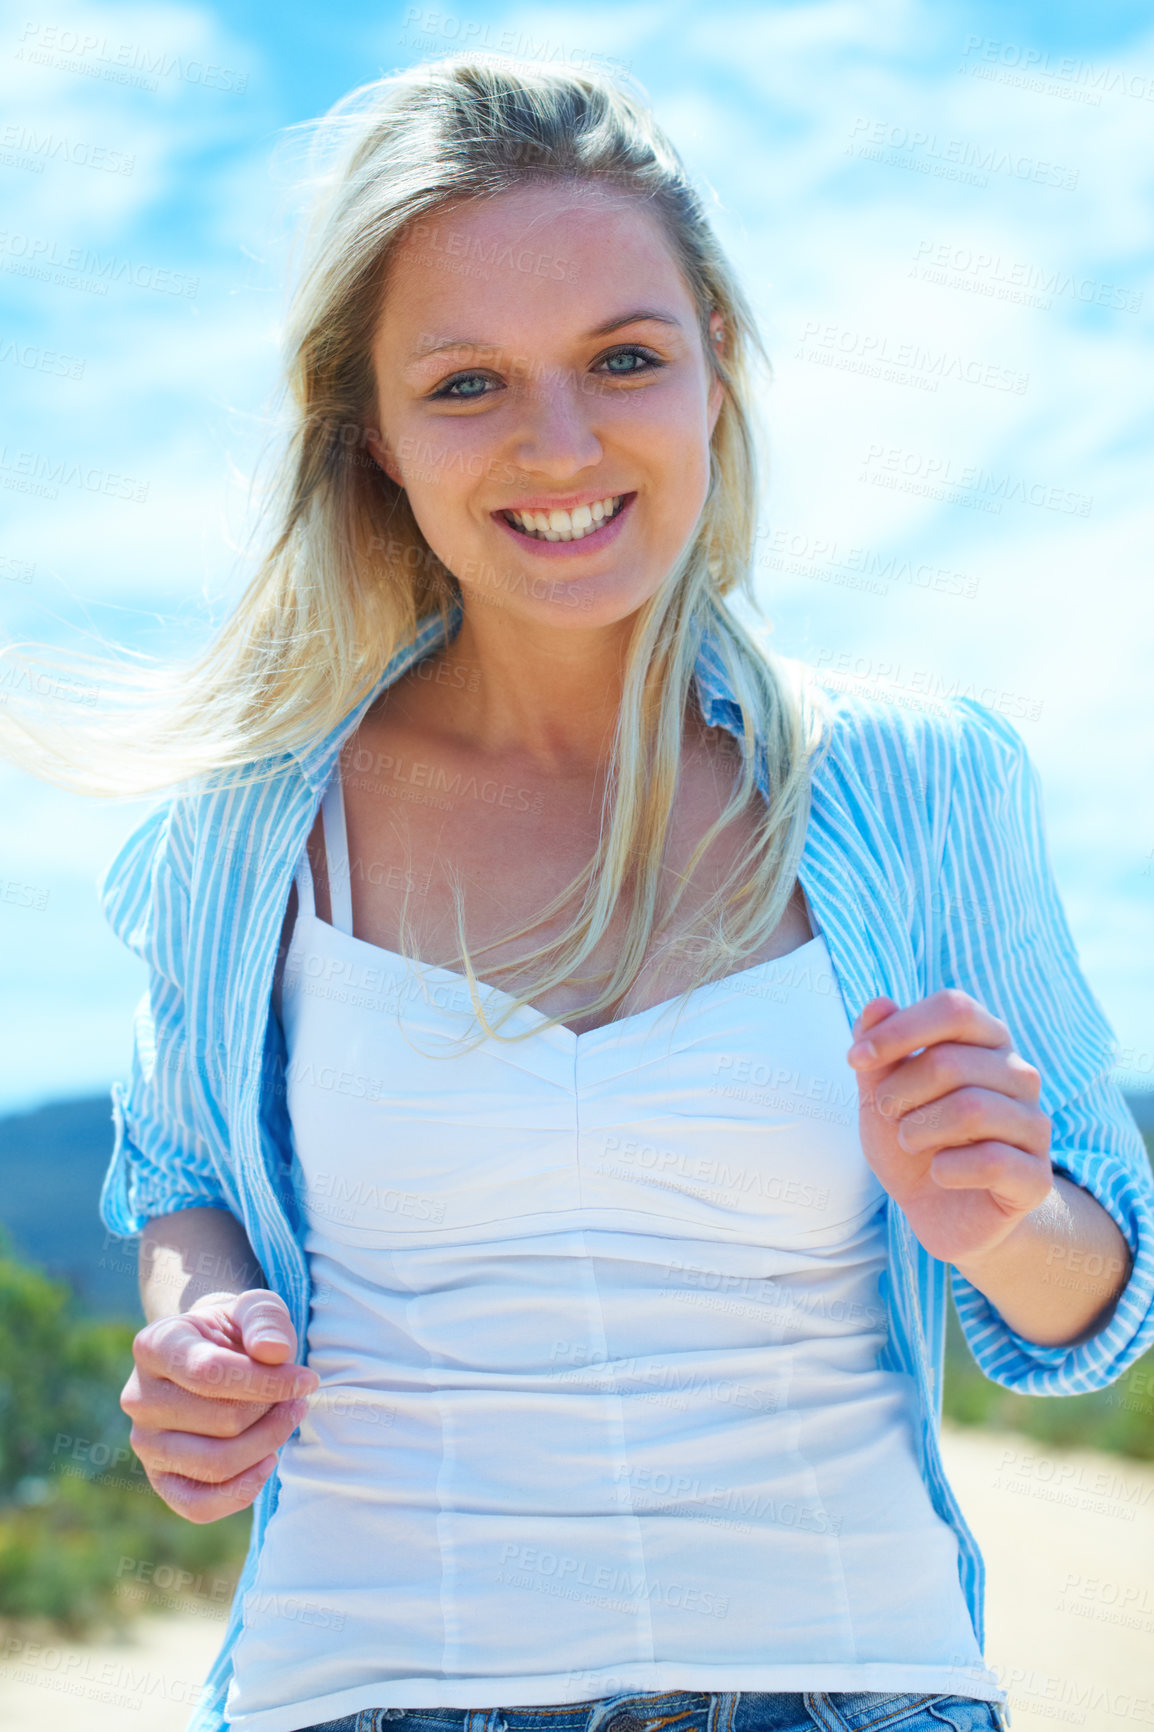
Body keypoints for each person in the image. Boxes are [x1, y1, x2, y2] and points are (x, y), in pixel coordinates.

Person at [6, 52, 1152, 1732]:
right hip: (363, 1692)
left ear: (715, 377)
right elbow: (183, 1177)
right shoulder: (252, 825)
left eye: (623, 358)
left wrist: (999, 1215)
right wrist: (203, 1333)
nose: (560, 443)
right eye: (466, 383)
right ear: (373, 437)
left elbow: (1094, 1304)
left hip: (852, 1691)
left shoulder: (916, 783)